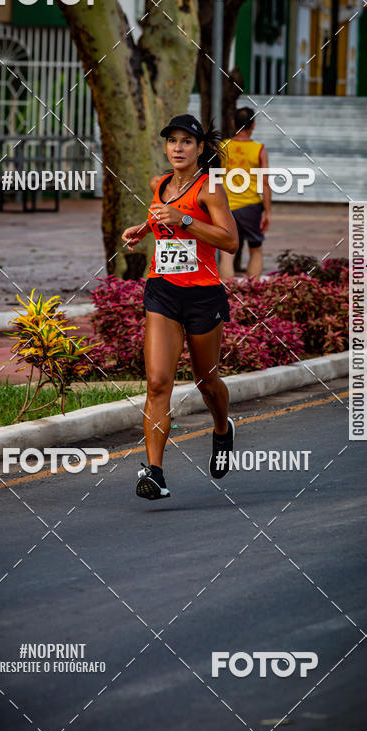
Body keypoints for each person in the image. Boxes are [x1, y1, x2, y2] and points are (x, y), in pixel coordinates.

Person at [121, 113, 239, 501]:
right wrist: (145, 228)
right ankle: (154, 472)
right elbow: (164, 218)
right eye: (172, 140)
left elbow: (230, 241)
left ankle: (222, 428)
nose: (177, 147)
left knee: (206, 381)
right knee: (157, 382)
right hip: (163, 291)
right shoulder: (162, 184)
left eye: (186, 141)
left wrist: (184, 219)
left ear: (200, 148)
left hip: (203, 295)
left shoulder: (210, 188)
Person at [218, 106, 271, 282]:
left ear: (234, 123)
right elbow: (265, 183)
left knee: (226, 252)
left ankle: (229, 294)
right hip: (251, 207)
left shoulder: (222, 146)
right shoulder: (259, 149)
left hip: (225, 207)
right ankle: (253, 293)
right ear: (253, 125)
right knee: (255, 249)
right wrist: (268, 212)